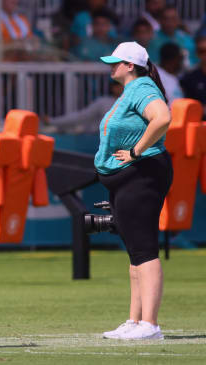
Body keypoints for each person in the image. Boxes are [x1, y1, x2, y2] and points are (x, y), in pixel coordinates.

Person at [97, 41, 173, 340]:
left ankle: (150, 325)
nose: (110, 66)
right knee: (134, 252)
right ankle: (135, 320)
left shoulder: (141, 87)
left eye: (115, 62)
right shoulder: (131, 90)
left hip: (141, 174)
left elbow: (163, 117)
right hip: (126, 177)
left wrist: (137, 151)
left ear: (130, 65)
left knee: (144, 249)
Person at [42, 80, 123, 134]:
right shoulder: (103, 102)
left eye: (121, 84)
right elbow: (81, 116)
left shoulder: (133, 101)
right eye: (117, 85)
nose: (120, 87)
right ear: (113, 87)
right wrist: (52, 121)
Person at [180, 36, 206, 113]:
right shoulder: (189, 78)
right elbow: (187, 104)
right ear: (197, 54)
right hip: (198, 121)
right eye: (202, 51)